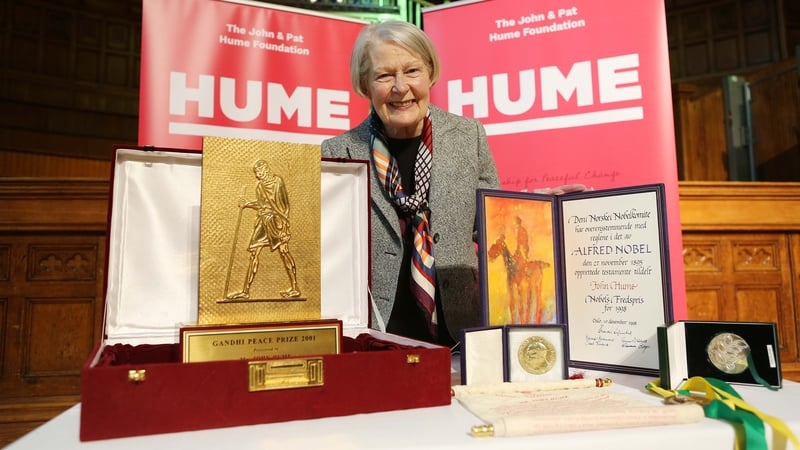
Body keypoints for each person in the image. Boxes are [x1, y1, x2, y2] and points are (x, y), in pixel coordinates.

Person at [321, 20, 499, 347]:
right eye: (384, 75)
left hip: (462, 339)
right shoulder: (336, 153)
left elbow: (492, 230)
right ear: (364, 84)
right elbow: (327, 253)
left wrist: (531, 216)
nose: (400, 87)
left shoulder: (468, 137)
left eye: (412, 71)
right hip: (374, 340)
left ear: (431, 72)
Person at [227, 159, 300, 300]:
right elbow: (261, 205)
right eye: (255, 173)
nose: (257, 176)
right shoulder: (259, 186)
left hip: (277, 223)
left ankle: (295, 288)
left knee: (284, 252)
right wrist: (246, 204)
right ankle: (245, 291)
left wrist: (284, 227)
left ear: (265, 170)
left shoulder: (278, 182)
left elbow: (284, 206)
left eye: (258, 172)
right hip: (263, 222)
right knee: (254, 253)